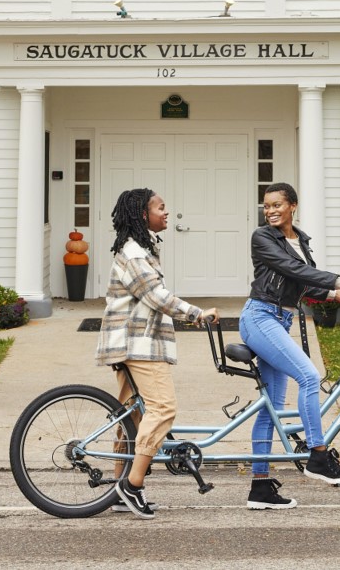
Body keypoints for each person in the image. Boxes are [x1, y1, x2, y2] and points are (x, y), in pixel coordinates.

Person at [241, 182, 340, 510]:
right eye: (266, 205)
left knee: (271, 406)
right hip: (260, 317)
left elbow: (301, 281)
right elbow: (293, 269)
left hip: (279, 320)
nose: (269, 211)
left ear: (292, 206)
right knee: (310, 377)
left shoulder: (301, 241)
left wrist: (335, 294)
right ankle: (318, 455)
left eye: (276, 205)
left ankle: (260, 488)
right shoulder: (263, 238)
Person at [96, 188, 219, 520]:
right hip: (139, 344)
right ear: (142, 214)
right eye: (161, 208)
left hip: (134, 342)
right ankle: (132, 485)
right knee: (163, 408)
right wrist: (197, 314)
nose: (167, 213)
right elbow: (157, 297)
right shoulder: (134, 254)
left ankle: (121, 489)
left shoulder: (138, 250)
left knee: (131, 419)